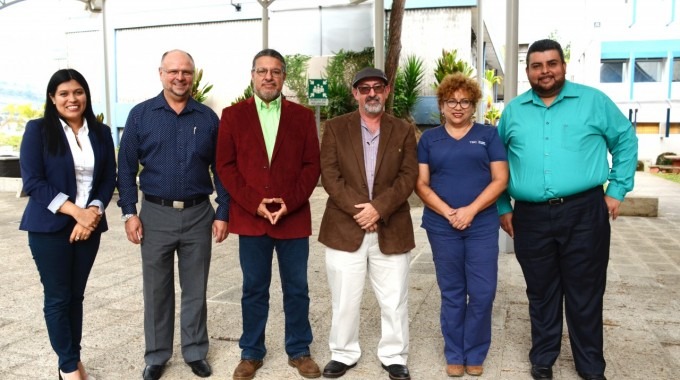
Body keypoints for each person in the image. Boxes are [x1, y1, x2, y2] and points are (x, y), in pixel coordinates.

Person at [497, 39, 638, 380]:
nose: (545, 71)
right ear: (528, 70)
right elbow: (496, 160)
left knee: (585, 290)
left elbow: (625, 139)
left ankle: (590, 366)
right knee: (541, 290)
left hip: (584, 212)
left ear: (563, 66)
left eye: (551, 63)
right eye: (536, 65)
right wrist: (502, 205)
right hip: (530, 215)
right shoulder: (514, 111)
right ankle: (543, 358)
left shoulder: (593, 101)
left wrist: (616, 190)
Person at [117, 49, 230, 380]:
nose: (179, 77)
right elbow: (124, 169)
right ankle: (156, 355)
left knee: (196, 288)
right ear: (161, 73)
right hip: (154, 213)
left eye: (186, 72)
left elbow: (221, 168)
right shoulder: (141, 116)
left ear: (192, 76)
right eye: (173, 71)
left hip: (198, 214)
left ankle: (195, 351)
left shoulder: (208, 119)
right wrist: (129, 212)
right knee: (157, 289)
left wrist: (223, 210)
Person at [215, 48, 321, 380]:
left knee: (297, 288)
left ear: (284, 76)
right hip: (250, 218)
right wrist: (253, 203)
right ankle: (251, 352)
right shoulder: (232, 116)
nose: (268, 77)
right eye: (262, 71)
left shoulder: (302, 117)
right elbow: (225, 167)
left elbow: (311, 166)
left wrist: (288, 202)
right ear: (252, 75)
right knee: (253, 288)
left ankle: (300, 350)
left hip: (292, 218)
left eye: (275, 71)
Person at [317, 67, 417, 380]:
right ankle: (343, 353)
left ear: (387, 92)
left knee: (394, 300)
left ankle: (394, 356)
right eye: (364, 88)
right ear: (355, 93)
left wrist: (378, 209)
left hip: (391, 225)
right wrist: (361, 210)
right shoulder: (334, 127)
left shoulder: (403, 129)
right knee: (344, 298)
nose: (371, 93)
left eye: (377, 87)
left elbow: (408, 176)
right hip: (345, 226)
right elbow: (329, 175)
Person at [19, 68, 116, 380]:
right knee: (59, 297)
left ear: (85, 95)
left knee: (77, 296)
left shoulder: (100, 133)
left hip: (89, 226)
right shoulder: (38, 130)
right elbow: (34, 181)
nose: (72, 99)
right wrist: (77, 212)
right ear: (52, 98)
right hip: (49, 228)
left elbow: (107, 178)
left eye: (78, 92)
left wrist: (93, 213)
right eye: (64, 94)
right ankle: (69, 367)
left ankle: (71, 358)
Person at [415, 73, 508, 377]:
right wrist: (449, 213)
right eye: (451, 102)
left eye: (464, 102)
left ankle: (476, 351)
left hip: (481, 224)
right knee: (452, 291)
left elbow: (500, 179)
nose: (458, 107)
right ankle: (454, 352)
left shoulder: (489, 135)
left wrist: (470, 210)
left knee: (483, 291)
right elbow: (422, 184)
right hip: (443, 226)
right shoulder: (429, 139)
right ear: (441, 106)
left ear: (473, 105)